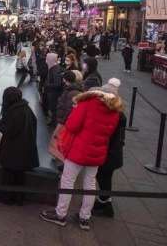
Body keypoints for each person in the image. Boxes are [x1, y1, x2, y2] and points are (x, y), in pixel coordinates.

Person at [40, 78, 122, 231]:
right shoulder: (115, 111)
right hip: (97, 153)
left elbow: (71, 125)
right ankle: (84, 218)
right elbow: (110, 133)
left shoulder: (88, 103)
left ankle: (60, 214)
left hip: (79, 150)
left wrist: (76, 111)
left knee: (67, 181)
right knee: (90, 185)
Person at [0, 87, 39, 205]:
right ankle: (18, 199)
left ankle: (6, 198)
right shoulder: (25, 107)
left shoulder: (14, 111)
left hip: (13, 150)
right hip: (24, 149)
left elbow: (10, 131)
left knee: (8, 174)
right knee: (19, 176)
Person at [92, 82, 126, 218]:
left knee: (104, 178)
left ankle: (104, 204)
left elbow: (117, 139)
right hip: (109, 153)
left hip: (110, 154)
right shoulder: (115, 111)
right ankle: (106, 203)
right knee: (103, 178)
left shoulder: (117, 115)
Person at [44, 53, 63, 128]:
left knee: (53, 108)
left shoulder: (55, 70)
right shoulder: (53, 68)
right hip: (51, 92)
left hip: (53, 93)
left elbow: (57, 83)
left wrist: (48, 85)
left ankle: (54, 122)